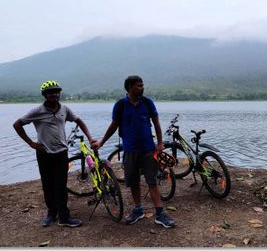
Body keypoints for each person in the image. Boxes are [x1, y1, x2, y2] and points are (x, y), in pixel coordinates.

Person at [92, 75, 175, 228]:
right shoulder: (120, 105)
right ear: (129, 87)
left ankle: (160, 213)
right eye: (138, 85)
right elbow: (114, 125)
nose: (142, 88)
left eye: (142, 85)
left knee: (152, 181)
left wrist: (160, 143)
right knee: (134, 181)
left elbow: (156, 123)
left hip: (148, 149)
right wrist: (102, 141)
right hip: (130, 150)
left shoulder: (147, 103)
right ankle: (138, 210)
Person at [13, 80, 96, 228]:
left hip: (61, 153)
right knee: (47, 184)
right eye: (50, 92)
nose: (54, 94)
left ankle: (64, 216)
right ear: (45, 95)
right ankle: (51, 213)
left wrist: (90, 137)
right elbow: (17, 124)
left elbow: (79, 121)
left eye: (57, 92)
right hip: (44, 153)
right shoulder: (36, 111)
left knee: (61, 185)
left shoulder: (64, 109)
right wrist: (31, 143)